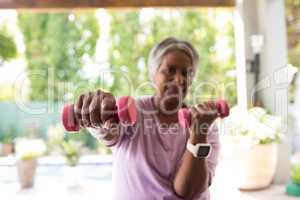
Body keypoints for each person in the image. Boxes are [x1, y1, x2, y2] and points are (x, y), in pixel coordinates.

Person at [74, 37, 220, 200]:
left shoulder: (206, 125)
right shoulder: (132, 110)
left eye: (187, 73)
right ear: (153, 73)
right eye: (170, 70)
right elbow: (107, 132)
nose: (179, 79)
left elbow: (187, 190)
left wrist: (199, 134)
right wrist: (98, 117)